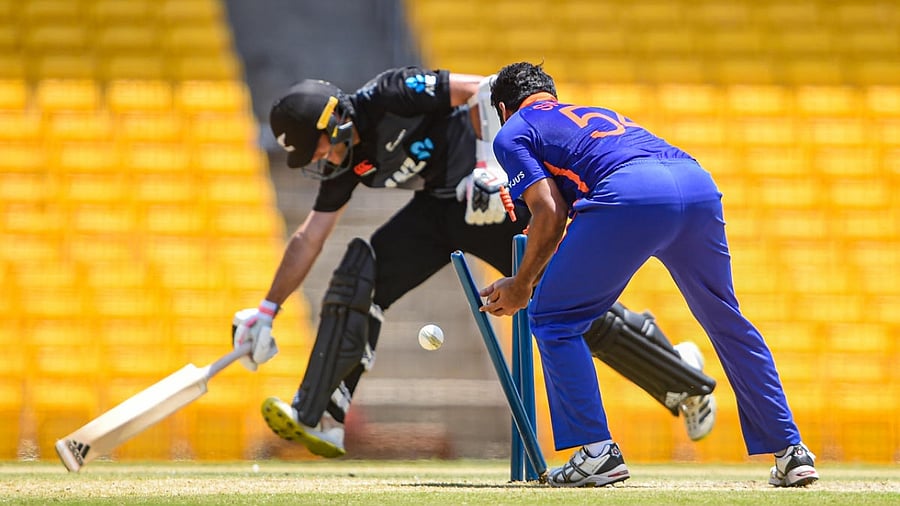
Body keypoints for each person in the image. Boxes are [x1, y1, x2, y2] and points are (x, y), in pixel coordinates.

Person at [230, 66, 718, 460]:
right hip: (438, 212)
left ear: (333, 123)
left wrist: (490, 167)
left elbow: (483, 90)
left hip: (490, 199)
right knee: (362, 271)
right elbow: (309, 235)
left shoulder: (389, 94)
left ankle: (682, 377)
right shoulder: (346, 161)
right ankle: (323, 417)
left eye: (317, 149)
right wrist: (268, 309)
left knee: (564, 305)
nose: (321, 164)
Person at [479, 61, 819, 488]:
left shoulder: (512, 130)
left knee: (553, 317)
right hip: (695, 183)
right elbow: (565, 199)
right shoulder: (592, 113)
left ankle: (596, 453)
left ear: (504, 108)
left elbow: (549, 211)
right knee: (727, 321)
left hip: (631, 194)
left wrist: (521, 284)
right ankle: (791, 452)